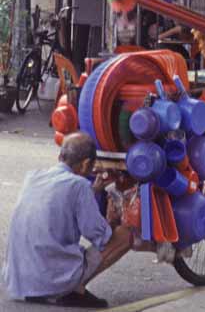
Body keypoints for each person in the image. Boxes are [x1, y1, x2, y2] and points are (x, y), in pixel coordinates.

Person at [2, 132, 132, 308]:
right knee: (124, 235)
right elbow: (99, 235)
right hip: (51, 279)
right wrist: (112, 219)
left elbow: (62, 202)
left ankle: (52, 288)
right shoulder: (79, 186)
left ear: (60, 156)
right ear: (86, 164)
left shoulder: (33, 177)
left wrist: (92, 193)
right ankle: (71, 290)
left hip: (20, 280)